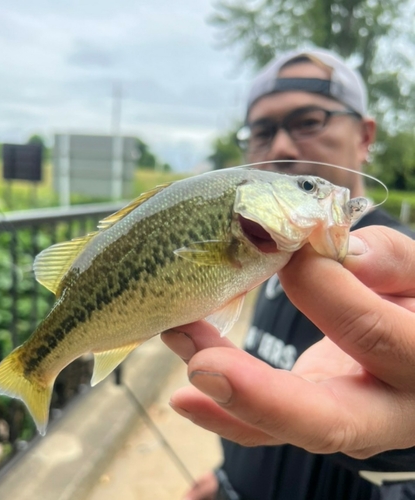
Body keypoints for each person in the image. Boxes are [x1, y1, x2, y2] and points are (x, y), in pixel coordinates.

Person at [161, 48, 415, 500]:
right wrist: (225, 478)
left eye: (309, 121)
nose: (279, 146)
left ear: (364, 136)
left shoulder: (404, 270)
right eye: (261, 131)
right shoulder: (267, 244)